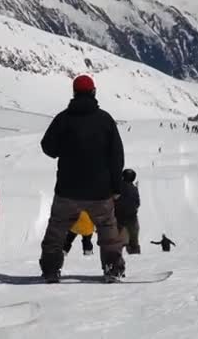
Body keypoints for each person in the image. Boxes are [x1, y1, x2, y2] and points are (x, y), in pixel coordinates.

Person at [40, 75, 125, 283]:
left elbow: (47, 147)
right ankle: (112, 268)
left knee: (57, 229)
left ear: (74, 93)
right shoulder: (105, 119)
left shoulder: (63, 118)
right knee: (107, 230)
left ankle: (51, 269)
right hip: (100, 190)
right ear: (93, 92)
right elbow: (117, 157)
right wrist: (116, 186)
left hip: (67, 189)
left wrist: (66, 149)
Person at [115, 169, 141, 254]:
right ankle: (134, 252)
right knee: (134, 240)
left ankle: (114, 255)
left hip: (117, 217)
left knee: (115, 241)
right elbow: (137, 204)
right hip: (131, 217)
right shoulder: (134, 189)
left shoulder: (116, 186)